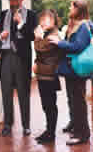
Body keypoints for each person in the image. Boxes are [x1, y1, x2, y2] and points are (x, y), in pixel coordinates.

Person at [48, 0, 93, 145]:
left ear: (78, 9)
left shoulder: (83, 26)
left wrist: (59, 43)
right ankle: (75, 125)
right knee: (73, 100)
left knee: (79, 102)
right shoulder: (76, 25)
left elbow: (77, 46)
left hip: (78, 69)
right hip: (71, 69)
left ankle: (83, 134)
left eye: (71, 7)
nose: (69, 9)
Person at [0, 0, 37, 136]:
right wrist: (1, 37)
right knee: (6, 92)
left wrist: (20, 24)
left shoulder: (31, 15)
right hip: (6, 56)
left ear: (21, 0)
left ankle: (26, 125)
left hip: (21, 58)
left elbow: (32, 36)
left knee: (23, 92)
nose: (13, 2)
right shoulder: (4, 14)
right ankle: (7, 124)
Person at [32, 10, 64, 144]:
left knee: (50, 105)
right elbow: (40, 54)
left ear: (54, 21)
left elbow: (41, 49)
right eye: (42, 20)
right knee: (46, 105)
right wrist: (36, 63)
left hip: (49, 75)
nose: (44, 22)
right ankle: (48, 131)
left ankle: (50, 133)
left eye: (48, 20)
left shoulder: (54, 35)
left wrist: (37, 38)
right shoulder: (47, 33)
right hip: (43, 74)